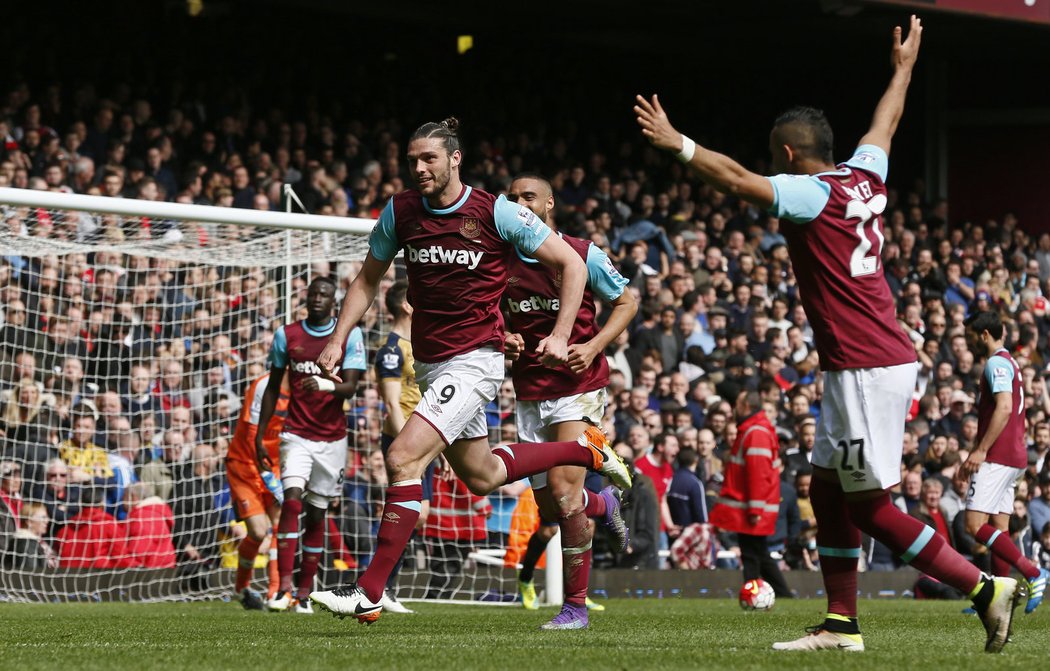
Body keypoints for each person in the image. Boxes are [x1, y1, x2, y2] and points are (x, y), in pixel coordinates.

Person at [636, 16, 1022, 654]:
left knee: (872, 508)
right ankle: (842, 624)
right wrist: (902, 70)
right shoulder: (864, 176)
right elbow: (885, 124)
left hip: (867, 365)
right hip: (864, 362)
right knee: (826, 486)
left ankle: (985, 589)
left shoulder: (810, 193)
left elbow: (735, 180)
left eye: (774, 156)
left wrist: (679, 144)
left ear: (786, 154)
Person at [309, 118, 630, 624]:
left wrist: (566, 335)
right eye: (412, 160)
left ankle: (368, 592)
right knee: (481, 476)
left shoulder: (496, 211)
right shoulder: (400, 211)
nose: (419, 168)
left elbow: (571, 264)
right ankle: (582, 449)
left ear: (455, 159)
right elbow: (368, 279)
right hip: (434, 363)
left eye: (429, 159)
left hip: (477, 360)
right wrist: (338, 336)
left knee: (401, 458)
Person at [501, 173, 635, 629]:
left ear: (550, 203)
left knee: (563, 490)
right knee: (553, 509)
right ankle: (606, 505)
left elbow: (627, 303)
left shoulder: (581, 253)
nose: (519, 203)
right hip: (529, 392)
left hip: (578, 387)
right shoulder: (499, 259)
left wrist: (594, 347)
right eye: (512, 197)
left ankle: (575, 608)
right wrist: (506, 338)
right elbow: (492, 318)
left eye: (528, 196)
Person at [258, 276, 366, 614]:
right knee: (291, 501)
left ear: (334, 302)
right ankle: (283, 589)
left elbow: (351, 388)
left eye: (324, 295)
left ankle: (305, 594)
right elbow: (273, 388)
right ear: (306, 298)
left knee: (318, 514)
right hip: (295, 434)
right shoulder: (286, 335)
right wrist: (262, 435)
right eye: (313, 294)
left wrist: (321, 384)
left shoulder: (350, 335)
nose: (317, 299)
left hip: (332, 439)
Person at [961, 312, 1048, 614]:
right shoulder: (1012, 363)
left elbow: (1004, 408)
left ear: (984, 334)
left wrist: (982, 449)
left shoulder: (996, 363)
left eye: (971, 335)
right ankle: (1000, 596)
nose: (968, 341)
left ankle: (1034, 572)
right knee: (999, 527)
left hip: (998, 456)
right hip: (1013, 456)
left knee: (974, 524)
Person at [372, 280, 427, 614]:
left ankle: (384, 585)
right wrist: (407, 446)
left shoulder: (421, 345)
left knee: (419, 518)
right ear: (407, 305)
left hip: (427, 437)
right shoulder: (391, 349)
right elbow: (392, 406)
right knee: (404, 513)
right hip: (404, 439)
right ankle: (378, 586)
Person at [710, 391, 790, 596]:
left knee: (754, 554)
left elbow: (758, 473)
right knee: (756, 553)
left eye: (737, 403)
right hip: (750, 505)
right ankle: (769, 594)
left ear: (746, 406)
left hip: (752, 506)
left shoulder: (755, 433)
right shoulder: (755, 430)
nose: (734, 408)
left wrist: (755, 508)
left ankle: (760, 594)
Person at [225, 371, 289, 609]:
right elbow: (253, 435)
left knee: (280, 524)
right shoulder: (263, 385)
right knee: (259, 531)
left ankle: (276, 592)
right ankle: (242, 588)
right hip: (246, 464)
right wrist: (267, 476)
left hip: (274, 466)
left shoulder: (306, 387)